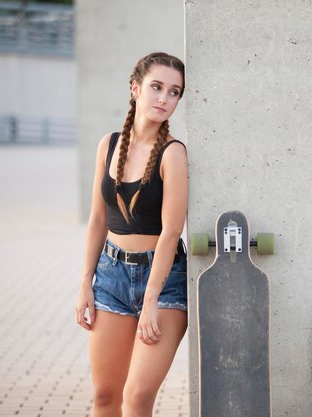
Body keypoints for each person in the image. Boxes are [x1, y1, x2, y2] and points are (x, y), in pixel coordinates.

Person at [75, 52, 188, 417]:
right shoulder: (108, 146)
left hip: (164, 282)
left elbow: (171, 232)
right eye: (157, 87)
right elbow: (97, 220)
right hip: (110, 278)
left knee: (137, 398)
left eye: (174, 92)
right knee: (106, 396)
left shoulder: (173, 154)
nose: (164, 99)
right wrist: (84, 285)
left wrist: (151, 301)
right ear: (135, 87)